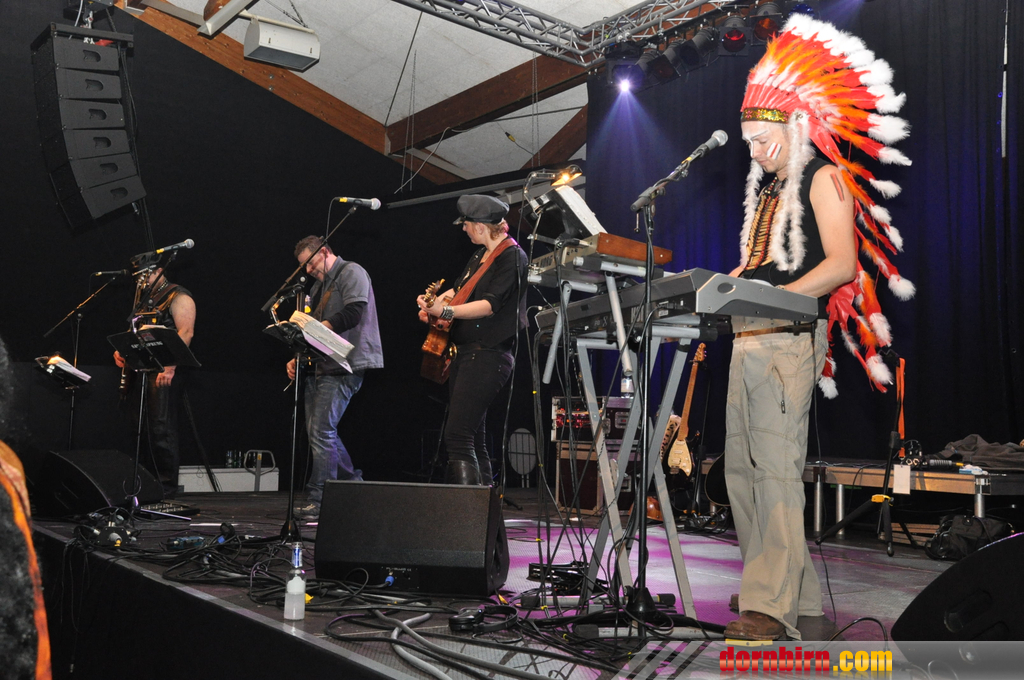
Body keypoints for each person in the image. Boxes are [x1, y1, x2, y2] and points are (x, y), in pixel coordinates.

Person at [722, 15, 914, 640]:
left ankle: (768, 606)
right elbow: (758, 267)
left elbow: (841, 265)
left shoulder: (825, 177)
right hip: (747, 338)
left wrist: (773, 299)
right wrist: (723, 288)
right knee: (742, 471)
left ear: (795, 126)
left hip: (784, 342)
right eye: (749, 143)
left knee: (775, 471)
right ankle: (789, 593)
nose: (755, 152)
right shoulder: (769, 196)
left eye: (762, 139)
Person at [416, 195, 528, 485]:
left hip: (488, 355)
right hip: (467, 354)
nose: (463, 229)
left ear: (479, 226)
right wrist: (432, 305)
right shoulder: (480, 256)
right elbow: (458, 290)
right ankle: (483, 511)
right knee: (473, 437)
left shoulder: (512, 257)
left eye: (465, 224)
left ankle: (467, 510)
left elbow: (489, 305)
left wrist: (445, 311)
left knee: (458, 434)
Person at [287, 236, 383, 518]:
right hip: (322, 364)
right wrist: (297, 354)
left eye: (310, 263)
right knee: (320, 432)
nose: (308, 271)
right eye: (304, 267)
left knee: (321, 431)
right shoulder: (319, 286)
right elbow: (312, 330)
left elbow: (353, 313)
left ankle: (320, 498)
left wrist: (316, 330)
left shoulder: (352, 271)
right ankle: (353, 487)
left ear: (325, 251)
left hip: (346, 363)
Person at [114, 265, 196, 498]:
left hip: (162, 370)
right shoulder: (142, 300)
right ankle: (144, 486)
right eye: (138, 276)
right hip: (140, 369)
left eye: (145, 274)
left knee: (161, 429)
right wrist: (122, 350)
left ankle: (165, 488)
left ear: (159, 270)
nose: (141, 280)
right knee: (139, 427)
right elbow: (134, 331)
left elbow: (186, 332)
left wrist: (170, 365)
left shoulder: (178, 295)